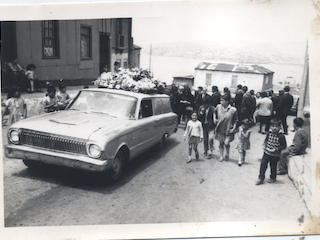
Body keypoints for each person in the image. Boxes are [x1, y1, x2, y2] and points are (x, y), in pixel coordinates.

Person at [255, 118, 287, 185]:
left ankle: (273, 177)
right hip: (267, 152)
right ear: (270, 127)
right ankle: (261, 178)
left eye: (276, 126)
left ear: (279, 127)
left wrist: (276, 149)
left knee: (273, 166)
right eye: (273, 126)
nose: (274, 128)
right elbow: (266, 140)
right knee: (263, 164)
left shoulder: (281, 136)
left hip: (275, 154)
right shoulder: (269, 133)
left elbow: (283, 146)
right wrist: (264, 144)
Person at [214, 94, 238, 162]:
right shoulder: (218, 107)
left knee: (226, 143)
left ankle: (227, 153)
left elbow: (236, 120)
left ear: (227, 101)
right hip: (220, 128)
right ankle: (221, 156)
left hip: (228, 129)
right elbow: (214, 112)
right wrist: (214, 119)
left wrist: (234, 128)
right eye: (220, 100)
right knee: (221, 143)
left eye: (222, 100)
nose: (221, 102)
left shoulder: (233, 110)